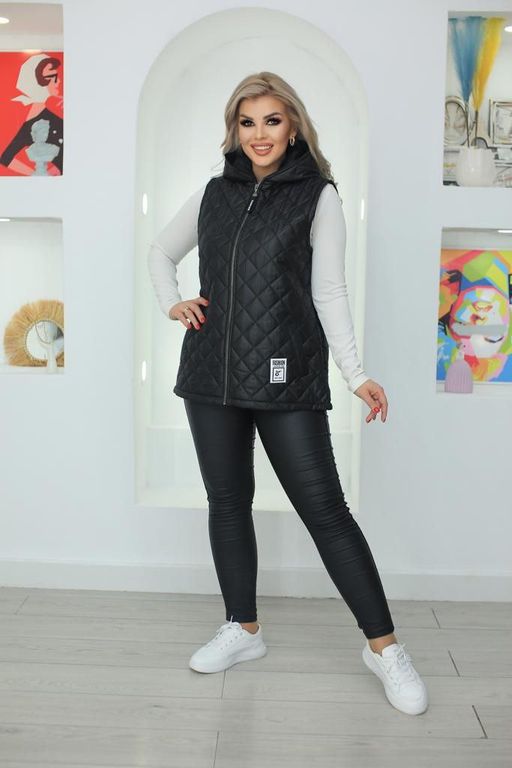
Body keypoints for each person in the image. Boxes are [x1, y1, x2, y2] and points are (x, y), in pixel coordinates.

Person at [148, 71, 428, 716]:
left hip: (286, 375)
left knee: (326, 512)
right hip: (210, 377)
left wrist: (356, 374)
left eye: (271, 120)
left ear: (293, 126)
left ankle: (384, 648)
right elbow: (160, 251)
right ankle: (242, 628)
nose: (259, 134)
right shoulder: (214, 193)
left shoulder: (317, 196)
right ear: (234, 130)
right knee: (227, 502)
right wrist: (173, 303)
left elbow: (330, 291)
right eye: (247, 122)